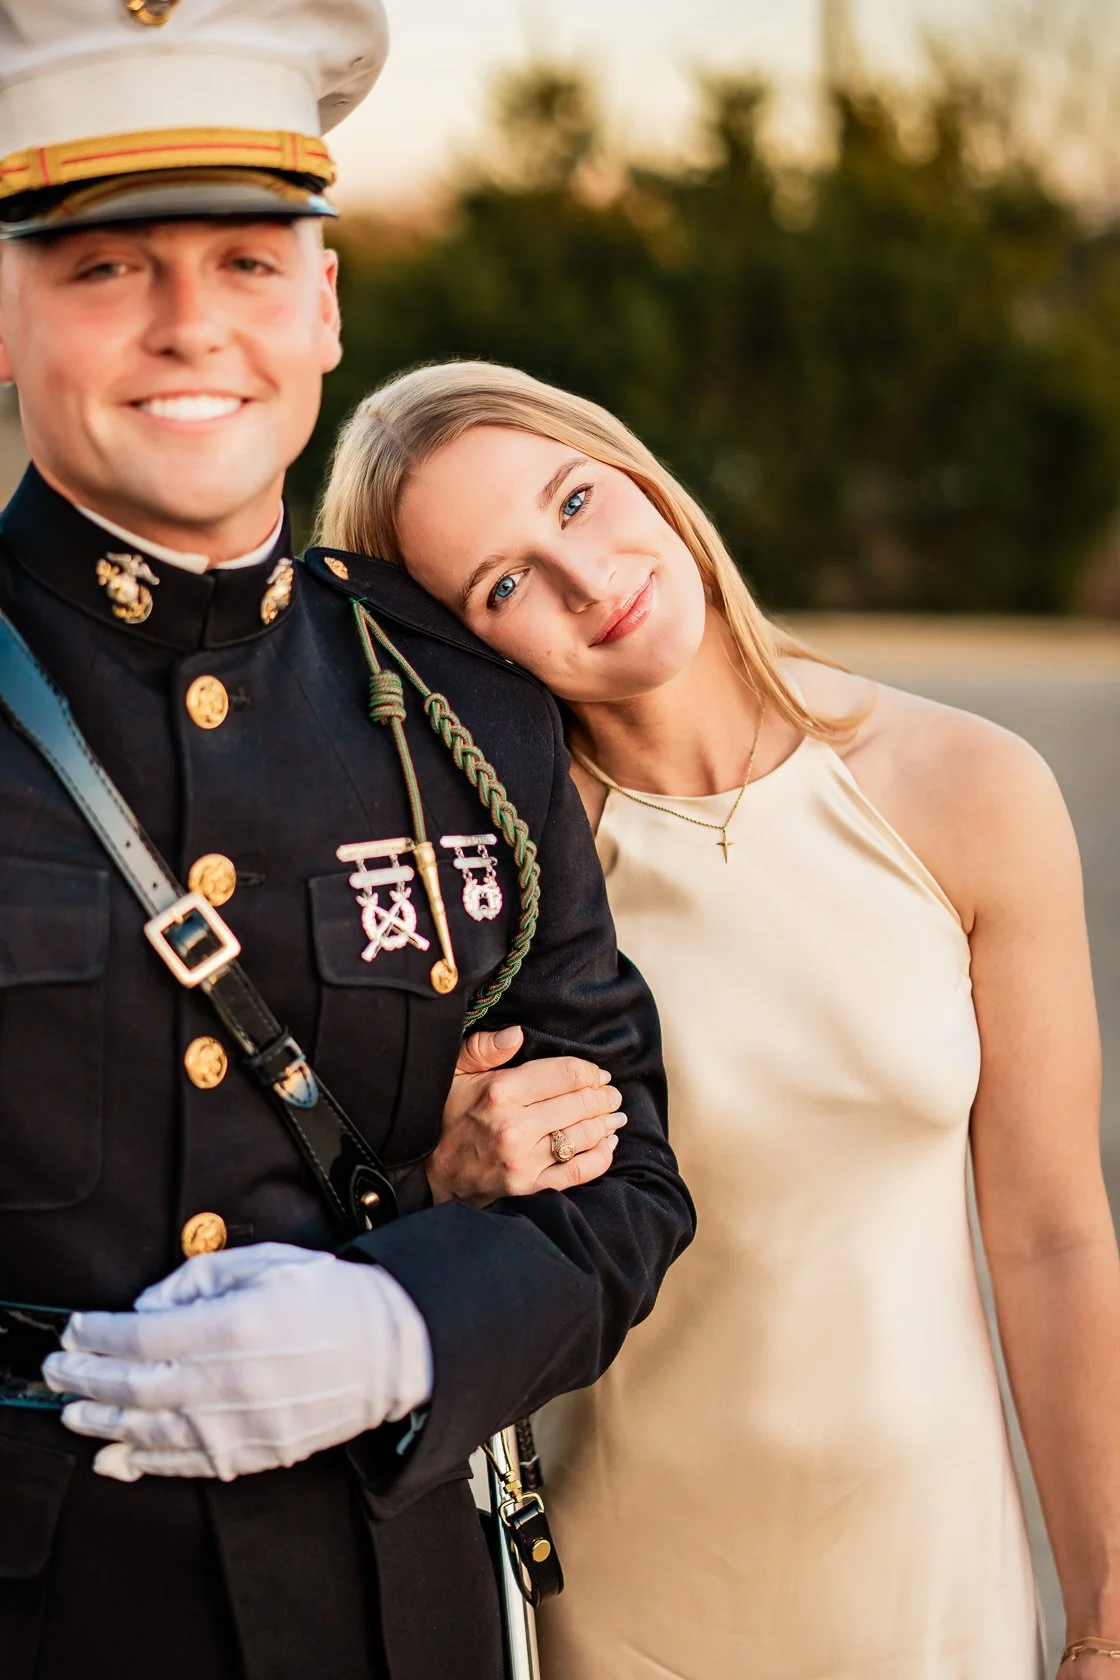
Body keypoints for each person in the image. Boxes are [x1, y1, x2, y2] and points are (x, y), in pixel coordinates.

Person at [0, 13, 694, 1680]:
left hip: (390, 1624)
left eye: (248, 260)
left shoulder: (459, 703)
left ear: (324, 307)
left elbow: (627, 1183)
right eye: (103, 269)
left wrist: (407, 1323)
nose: (190, 330)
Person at [316, 358, 1120, 1680]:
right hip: (628, 1604)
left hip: (936, 1593)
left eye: (575, 499)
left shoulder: (970, 790)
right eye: (504, 583)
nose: (585, 575)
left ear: (635, 469)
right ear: (456, 645)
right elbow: (367, 1223)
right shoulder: (494, 895)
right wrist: (442, 1180)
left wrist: (1101, 1614)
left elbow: (1051, 1236)